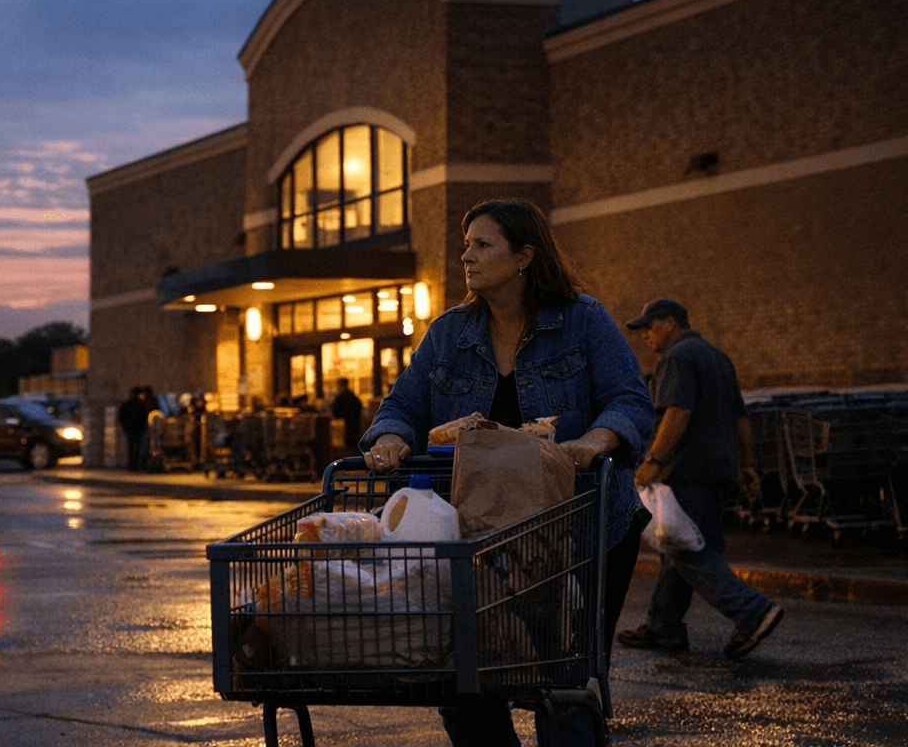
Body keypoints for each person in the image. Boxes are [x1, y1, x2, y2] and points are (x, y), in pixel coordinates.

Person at [360, 200, 655, 747]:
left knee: (564, 680)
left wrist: (595, 439)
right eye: (466, 244)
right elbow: (402, 405)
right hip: (479, 533)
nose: (466, 256)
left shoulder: (583, 320)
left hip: (577, 528)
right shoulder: (449, 333)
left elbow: (630, 400)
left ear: (524, 256)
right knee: (464, 679)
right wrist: (391, 438)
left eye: (482, 245)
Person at [617, 298, 784, 659]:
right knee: (683, 544)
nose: (645, 335)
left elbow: (677, 412)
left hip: (686, 470)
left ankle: (752, 611)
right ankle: (663, 626)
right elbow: (741, 418)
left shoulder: (677, 356)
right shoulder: (718, 357)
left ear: (670, 323)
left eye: (649, 326)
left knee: (685, 548)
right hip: (718, 471)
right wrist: (747, 467)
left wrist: (652, 460)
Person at [329, 377, 364, 455]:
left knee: (345, 451)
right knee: (353, 450)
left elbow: (336, 412)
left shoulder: (340, 397)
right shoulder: (353, 396)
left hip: (344, 428)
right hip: (355, 427)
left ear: (341, 385)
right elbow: (359, 408)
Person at [119, 386, 150, 470]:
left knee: (131, 447)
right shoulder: (141, 404)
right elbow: (144, 416)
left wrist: (125, 427)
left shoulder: (127, 404)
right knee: (138, 447)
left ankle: (132, 465)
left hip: (131, 429)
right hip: (139, 429)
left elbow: (121, 416)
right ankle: (136, 465)